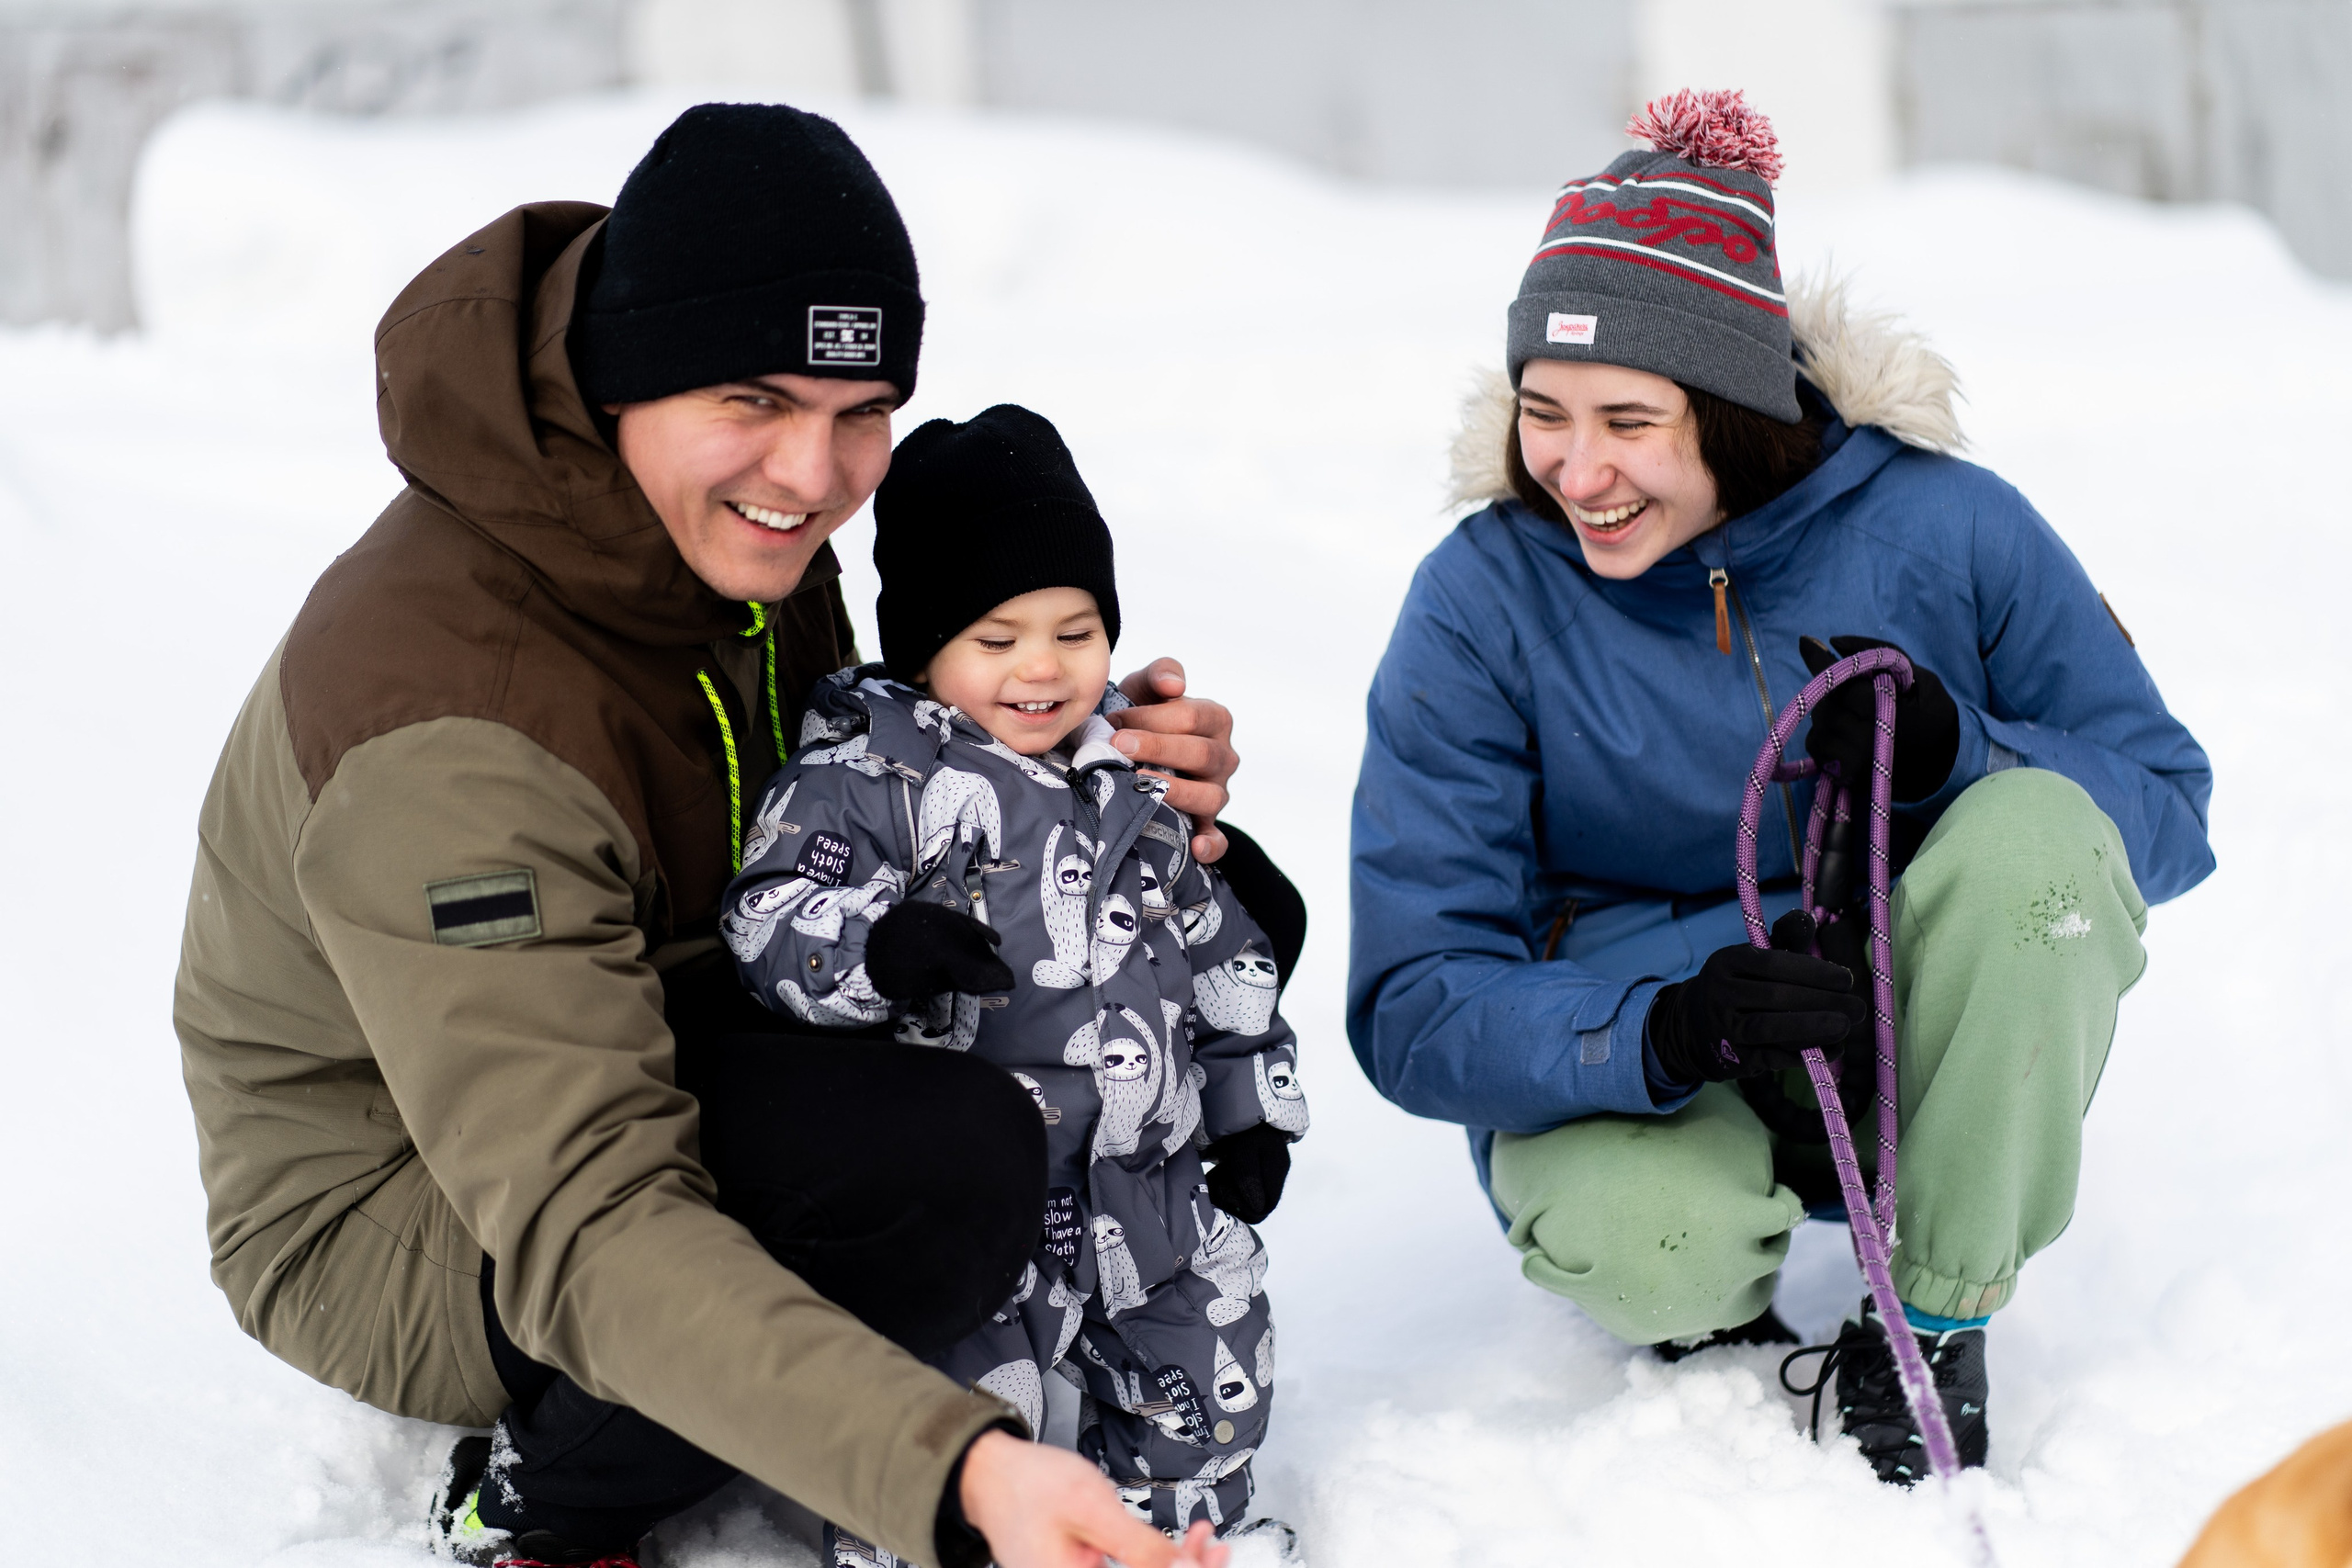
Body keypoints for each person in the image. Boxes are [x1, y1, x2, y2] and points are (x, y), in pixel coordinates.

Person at [174, 103, 1283, 1568]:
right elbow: (587, 1213)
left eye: (859, 408)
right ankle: (546, 1495)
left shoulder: (718, 527)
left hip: (685, 1023)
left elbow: (877, 761)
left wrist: (1097, 775)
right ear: (629, 375)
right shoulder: (458, 729)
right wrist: (951, 1471)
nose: (816, 476)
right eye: (755, 399)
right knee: (940, 1171)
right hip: (417, 1196)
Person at [1347, 89, 2213, 1483]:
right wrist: (1666, 1024)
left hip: (1907, 1044)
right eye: (1543, 415)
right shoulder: (1479, 602)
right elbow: (1413, 1000)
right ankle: (1705, 1303)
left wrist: (1960, 757)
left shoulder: (1950, 525)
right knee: (1653, 1241)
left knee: (2041, 838)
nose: (1577, 469)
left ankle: (1934, 1308)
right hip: (1661, 1068)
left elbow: (2166, 811)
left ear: (1740, 407)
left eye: (1630, 418)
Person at [719, 404, 1306, 1566]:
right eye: (997, 638)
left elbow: (1223, 955)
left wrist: (1250, 1116)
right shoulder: (867, 777)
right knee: (967, 1408)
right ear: (926, 646)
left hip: (1146, 1185)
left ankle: (1179, 1530)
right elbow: (767, 919)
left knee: (1210, 1367)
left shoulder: (1129, 779)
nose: (1042, 669)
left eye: (1074, 632)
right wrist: (881, 949)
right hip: (979, 1204)